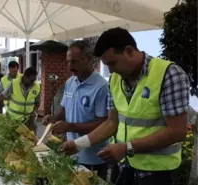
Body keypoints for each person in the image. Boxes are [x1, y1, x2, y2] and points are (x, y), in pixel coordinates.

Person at [60, 27, 189, 185]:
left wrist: (127, 147)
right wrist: (79, 144)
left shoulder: (169, 74)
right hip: (124, 166)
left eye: (113, 63)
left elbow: (177, 131)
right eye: (107, 65)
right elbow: (111, 122)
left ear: (129, 51)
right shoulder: (115, 80)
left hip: (157, 173)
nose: (111, 70)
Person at [42, 40, 109, 179]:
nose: (70, 67)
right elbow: (64, 108)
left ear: (89, 59)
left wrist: (70, 126)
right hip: (70, 152)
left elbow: (103, 124)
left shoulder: (102, 87)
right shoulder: (70, 82)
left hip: (93, 159)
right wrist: (53, 118)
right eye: (68, 62)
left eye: (74, 62)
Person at [0, 67, 40, 132]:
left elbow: (37, 103)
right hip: (14, 120)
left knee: (30, 138)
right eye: (31, 80)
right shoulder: (14, 83)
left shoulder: (37, 86)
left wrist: (34, 113)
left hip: (28, 120)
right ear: (25, 77)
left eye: (34, 80)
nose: (33, 82)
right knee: (13, 138)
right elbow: (2, 95)